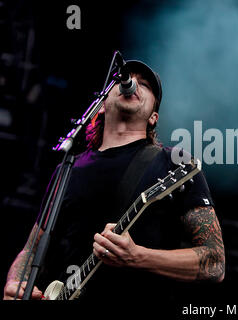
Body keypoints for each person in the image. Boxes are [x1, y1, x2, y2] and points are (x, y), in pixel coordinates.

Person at [3, 59, 225, 302]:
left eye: (145, 85)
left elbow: (214, 262)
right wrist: (15, 282)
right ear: (101, 105)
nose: (132, 84)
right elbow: (31, 249)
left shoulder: (174, 162)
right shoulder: (68, 168)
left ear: (153, 117)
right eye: (125, 78)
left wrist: (138, 256)